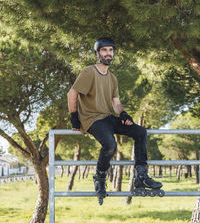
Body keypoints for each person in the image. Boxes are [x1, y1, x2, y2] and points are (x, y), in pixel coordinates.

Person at [67, 37, 162, 203]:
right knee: (110, 145)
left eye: (111, 50)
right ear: (97, 53)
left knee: (140, 132)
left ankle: (141, 176)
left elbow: (116, 103)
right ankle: (100, 177)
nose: (108, 54)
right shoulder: (89, 72)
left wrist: (124, 115)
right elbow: (72, 94)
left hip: (108, 117)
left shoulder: (112, 78)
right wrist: (74, 118)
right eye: (104, 50)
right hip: (92, 119)